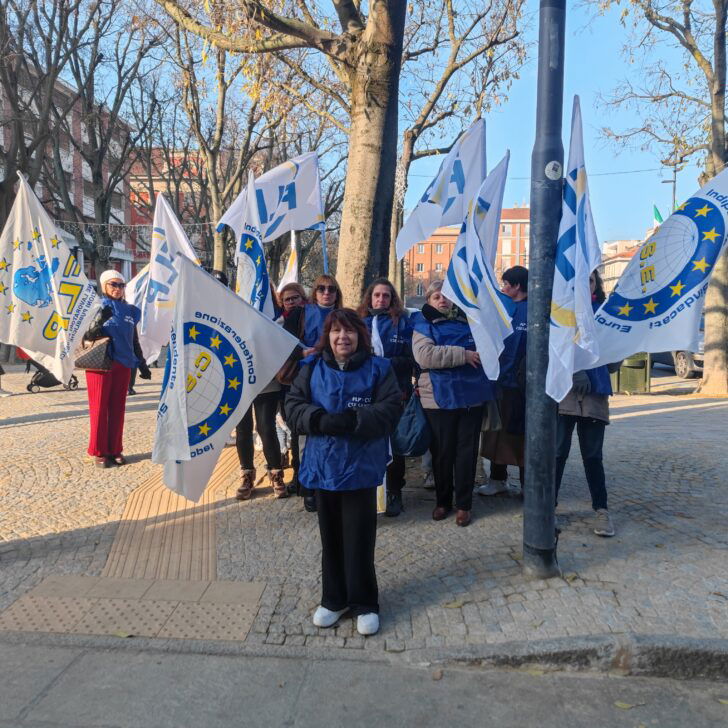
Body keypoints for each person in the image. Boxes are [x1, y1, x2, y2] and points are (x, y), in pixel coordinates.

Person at [285, 309, 401, 636]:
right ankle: (334, 599)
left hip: (361, 467)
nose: (342, 338)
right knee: (331, 536)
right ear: (328, 336)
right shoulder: (310, 368)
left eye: (349, 331)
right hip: (324, 467)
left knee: (360, 537)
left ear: (359, 336)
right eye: (336, 331)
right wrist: (318, 419)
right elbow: (292, 406)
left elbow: (392, 409)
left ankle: (365, 602)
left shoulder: (379, 369)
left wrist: (356, 420)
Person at [412, 280, 493, 527]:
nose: (442, 300)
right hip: (438, 397)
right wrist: (464, 355)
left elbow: (487, 350)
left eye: (446, 296)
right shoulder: (422, 324)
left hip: (471, 395)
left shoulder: (472, 321)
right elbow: (425, 356)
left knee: (466, 453)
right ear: (428, 301)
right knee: (442, 452)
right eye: (436, 296)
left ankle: (464, 505)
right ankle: (443, 501)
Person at [555, 270, 618, 537]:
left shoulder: (605, 314)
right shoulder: (560, 312)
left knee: (593, 456)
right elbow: (553, 347)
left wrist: (617, 355)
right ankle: (548, 507)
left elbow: (613, 352)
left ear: (596, 284)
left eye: (590, 280)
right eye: (580, 281)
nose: (585, 285)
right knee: (557, 454)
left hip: (595, 394)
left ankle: (601, 510)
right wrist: (573, 369)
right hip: (564, 395)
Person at [358, 278, 414, 517]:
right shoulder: (359, 323)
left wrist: (384, 364)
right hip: (364, 394)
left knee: (395, 445)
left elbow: (411, 359)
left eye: (386, 296)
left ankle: (394, 492)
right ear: (369, 298)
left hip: (395, 393)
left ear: (393, 299)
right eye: (377, 295)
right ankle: (367, 491)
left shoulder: (401, 323)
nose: (381, 299)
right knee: (366, 443)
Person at [84, 270, 151, 468]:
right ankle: (98, 451)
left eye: (121, 285)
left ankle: (115, 449)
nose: (118, 289)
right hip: (100, 363)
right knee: (99, 408)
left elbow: (133, 339)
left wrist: (142, 363)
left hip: (123, 364)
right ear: (104, 285)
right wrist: (98, 321)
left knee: (117, 409)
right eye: (114, 284)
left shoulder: (131, 310)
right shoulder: (96, 306)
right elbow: (86, 336)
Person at [233, 281, 287, 500]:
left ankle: (276, 472)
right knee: (243, 429)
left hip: (267, 380)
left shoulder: (276, 314)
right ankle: (247, 474)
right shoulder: (234, 311)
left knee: (266, 427)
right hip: (241, 382)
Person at [478, 266, 528, 496]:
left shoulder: (533, 310)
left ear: (517, 285)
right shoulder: (502, 309)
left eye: (506, 284)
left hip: (524, 387)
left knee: (524, 436)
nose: (503, 287)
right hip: (500, 382)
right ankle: (498, 478)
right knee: (498, 434)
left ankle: (529, 485)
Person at [297, 274, 344, 512]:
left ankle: (331, 483)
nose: (327, 293)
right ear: (315, 292)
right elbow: (287, 342)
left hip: (337, 379)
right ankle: (310, 486)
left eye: (331, 289)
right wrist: (300, 354)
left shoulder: (344, 316)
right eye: (322, 288)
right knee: (310, 433)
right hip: (309, 378)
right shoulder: (303, 314)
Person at [277, 282, 309, 496]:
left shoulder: (306, 316)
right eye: (287, 299)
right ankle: (298, 475)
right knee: (294, 429)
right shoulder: (279, 322)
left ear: (303, 298)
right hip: (286, 382)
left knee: (302, 431)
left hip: (305, 381)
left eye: (295, 298)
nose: (291, 303)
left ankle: (303, 477)